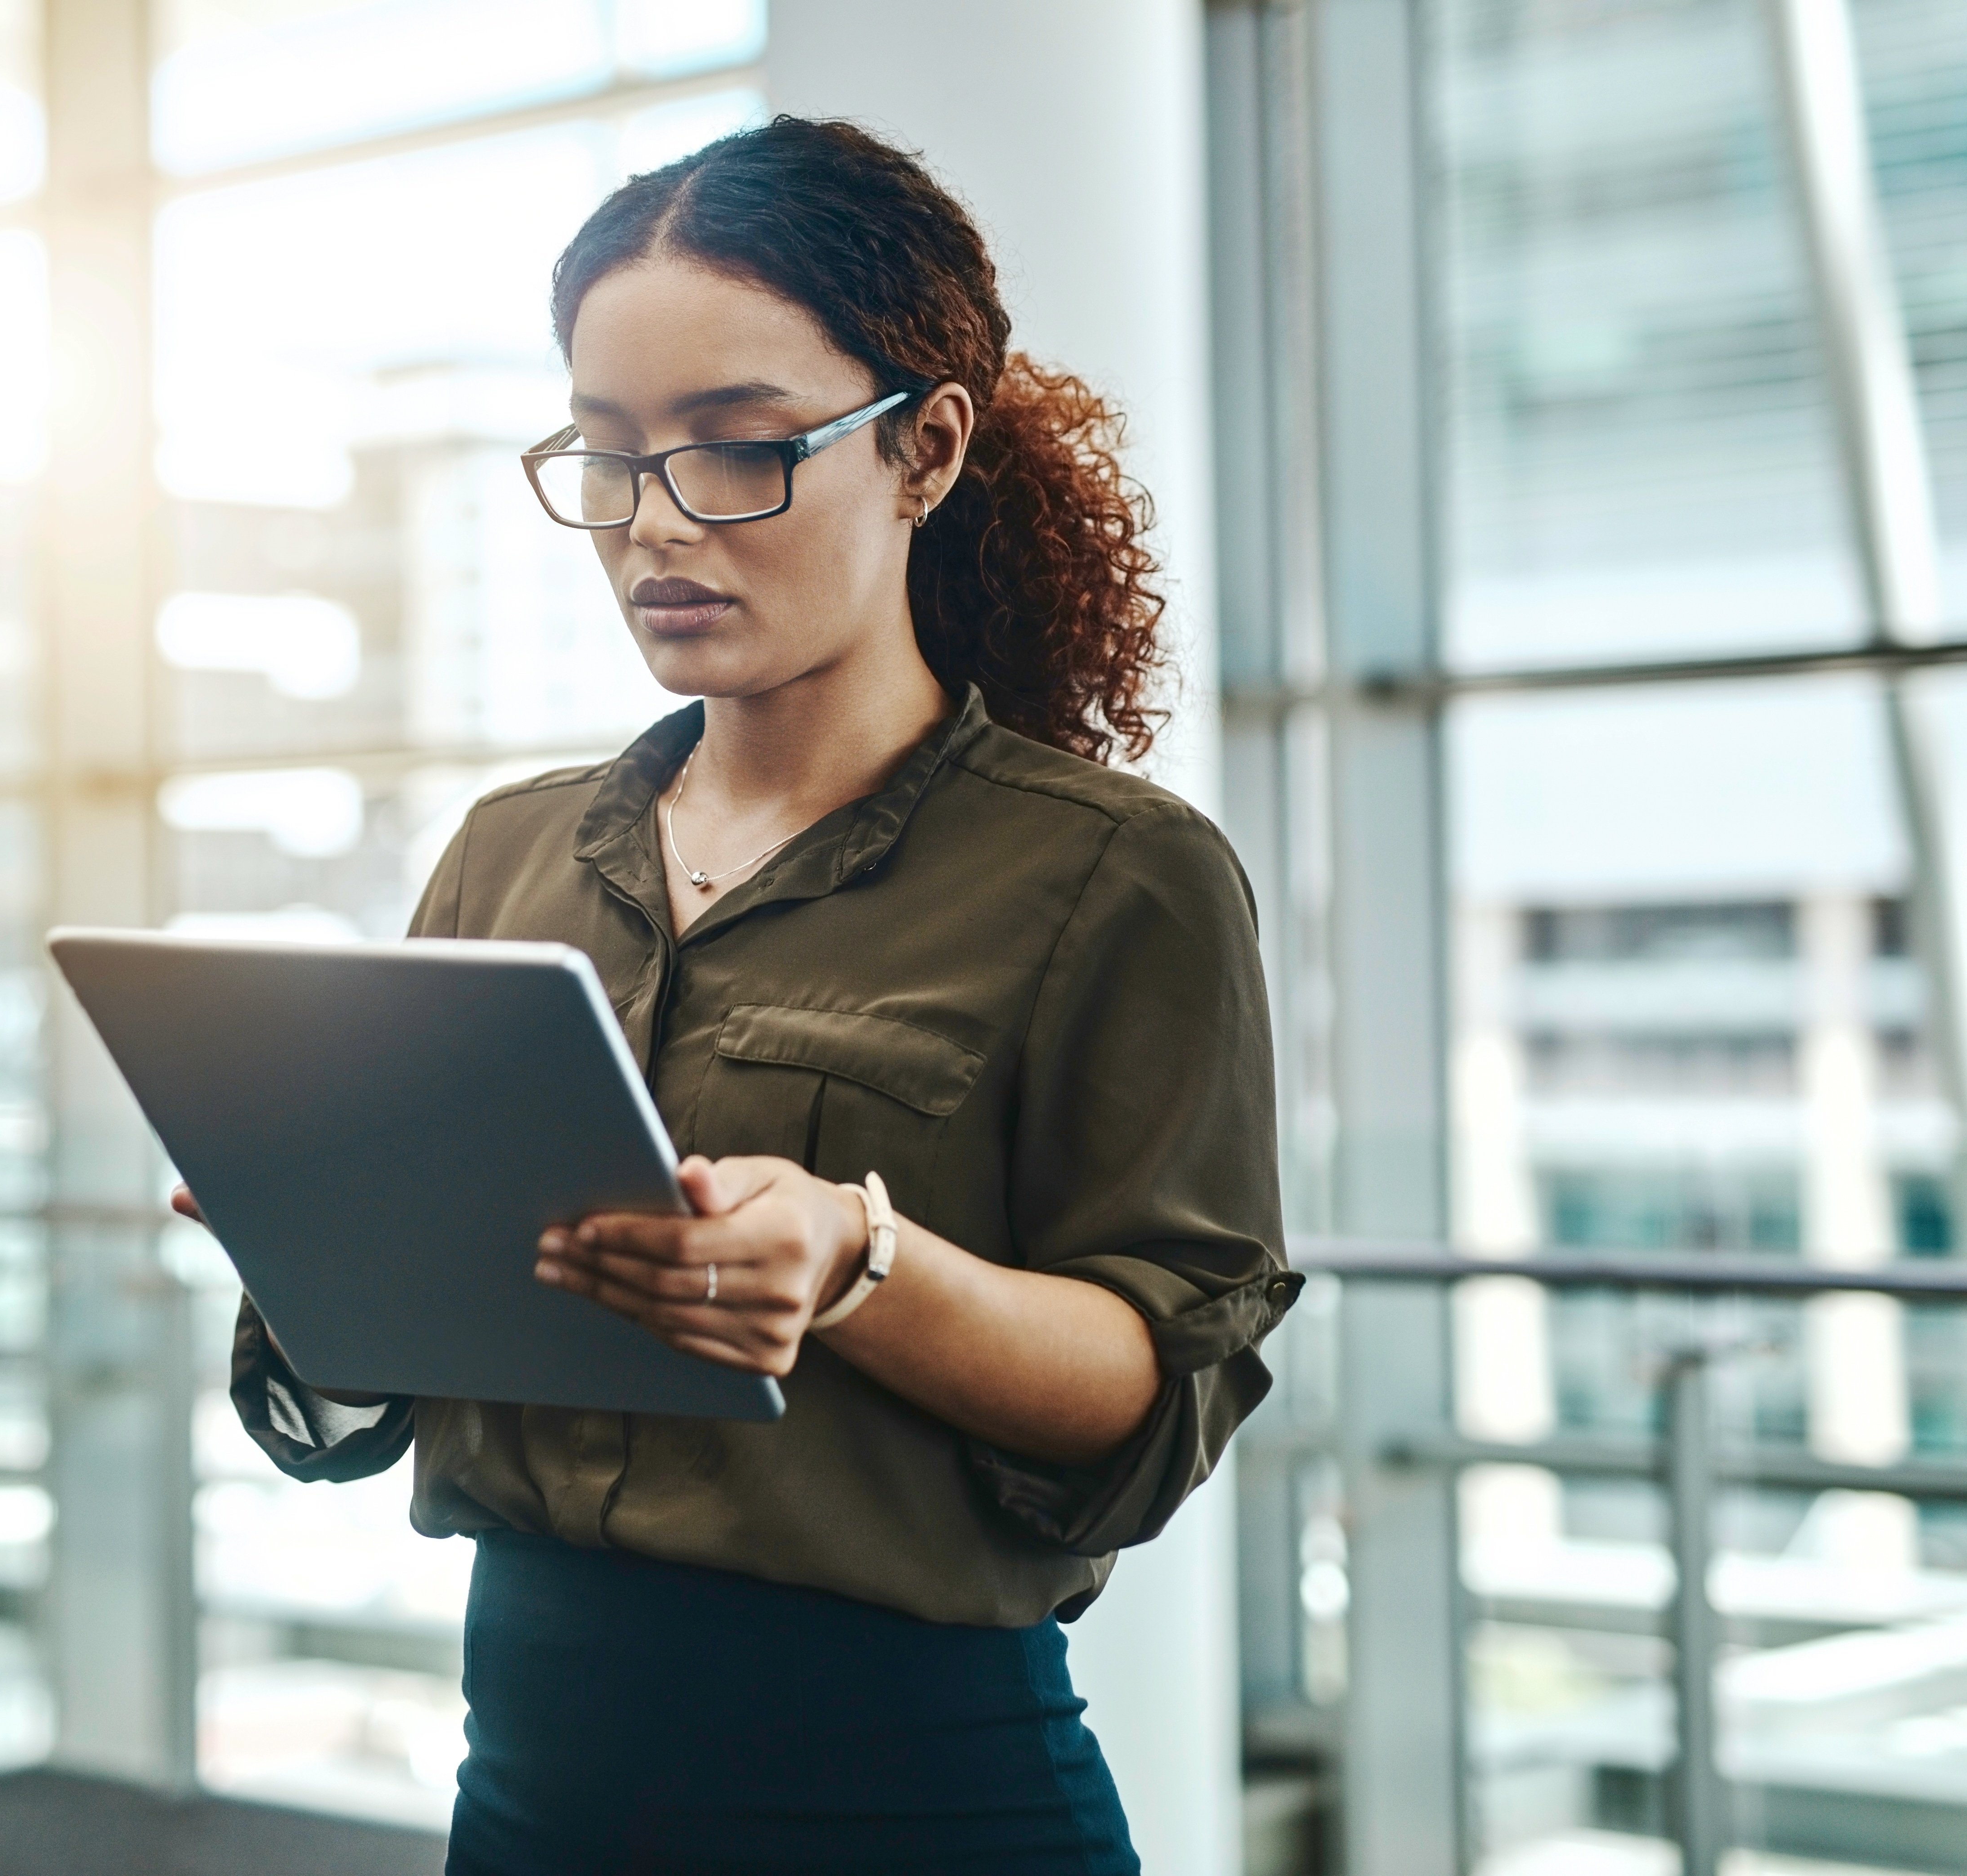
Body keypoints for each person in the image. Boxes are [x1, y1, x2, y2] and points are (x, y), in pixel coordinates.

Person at [190, 116, 1298, 1875]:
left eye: (739, 452)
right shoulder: (506, 854)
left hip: (912, 1803)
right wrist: (323, 1234)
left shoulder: (1115, 875)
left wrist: (862, 1263)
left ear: (926, 448)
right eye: (610, 459)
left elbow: (1150, 1388)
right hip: (531, 1794)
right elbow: (366, 1398)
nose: (655, 529)